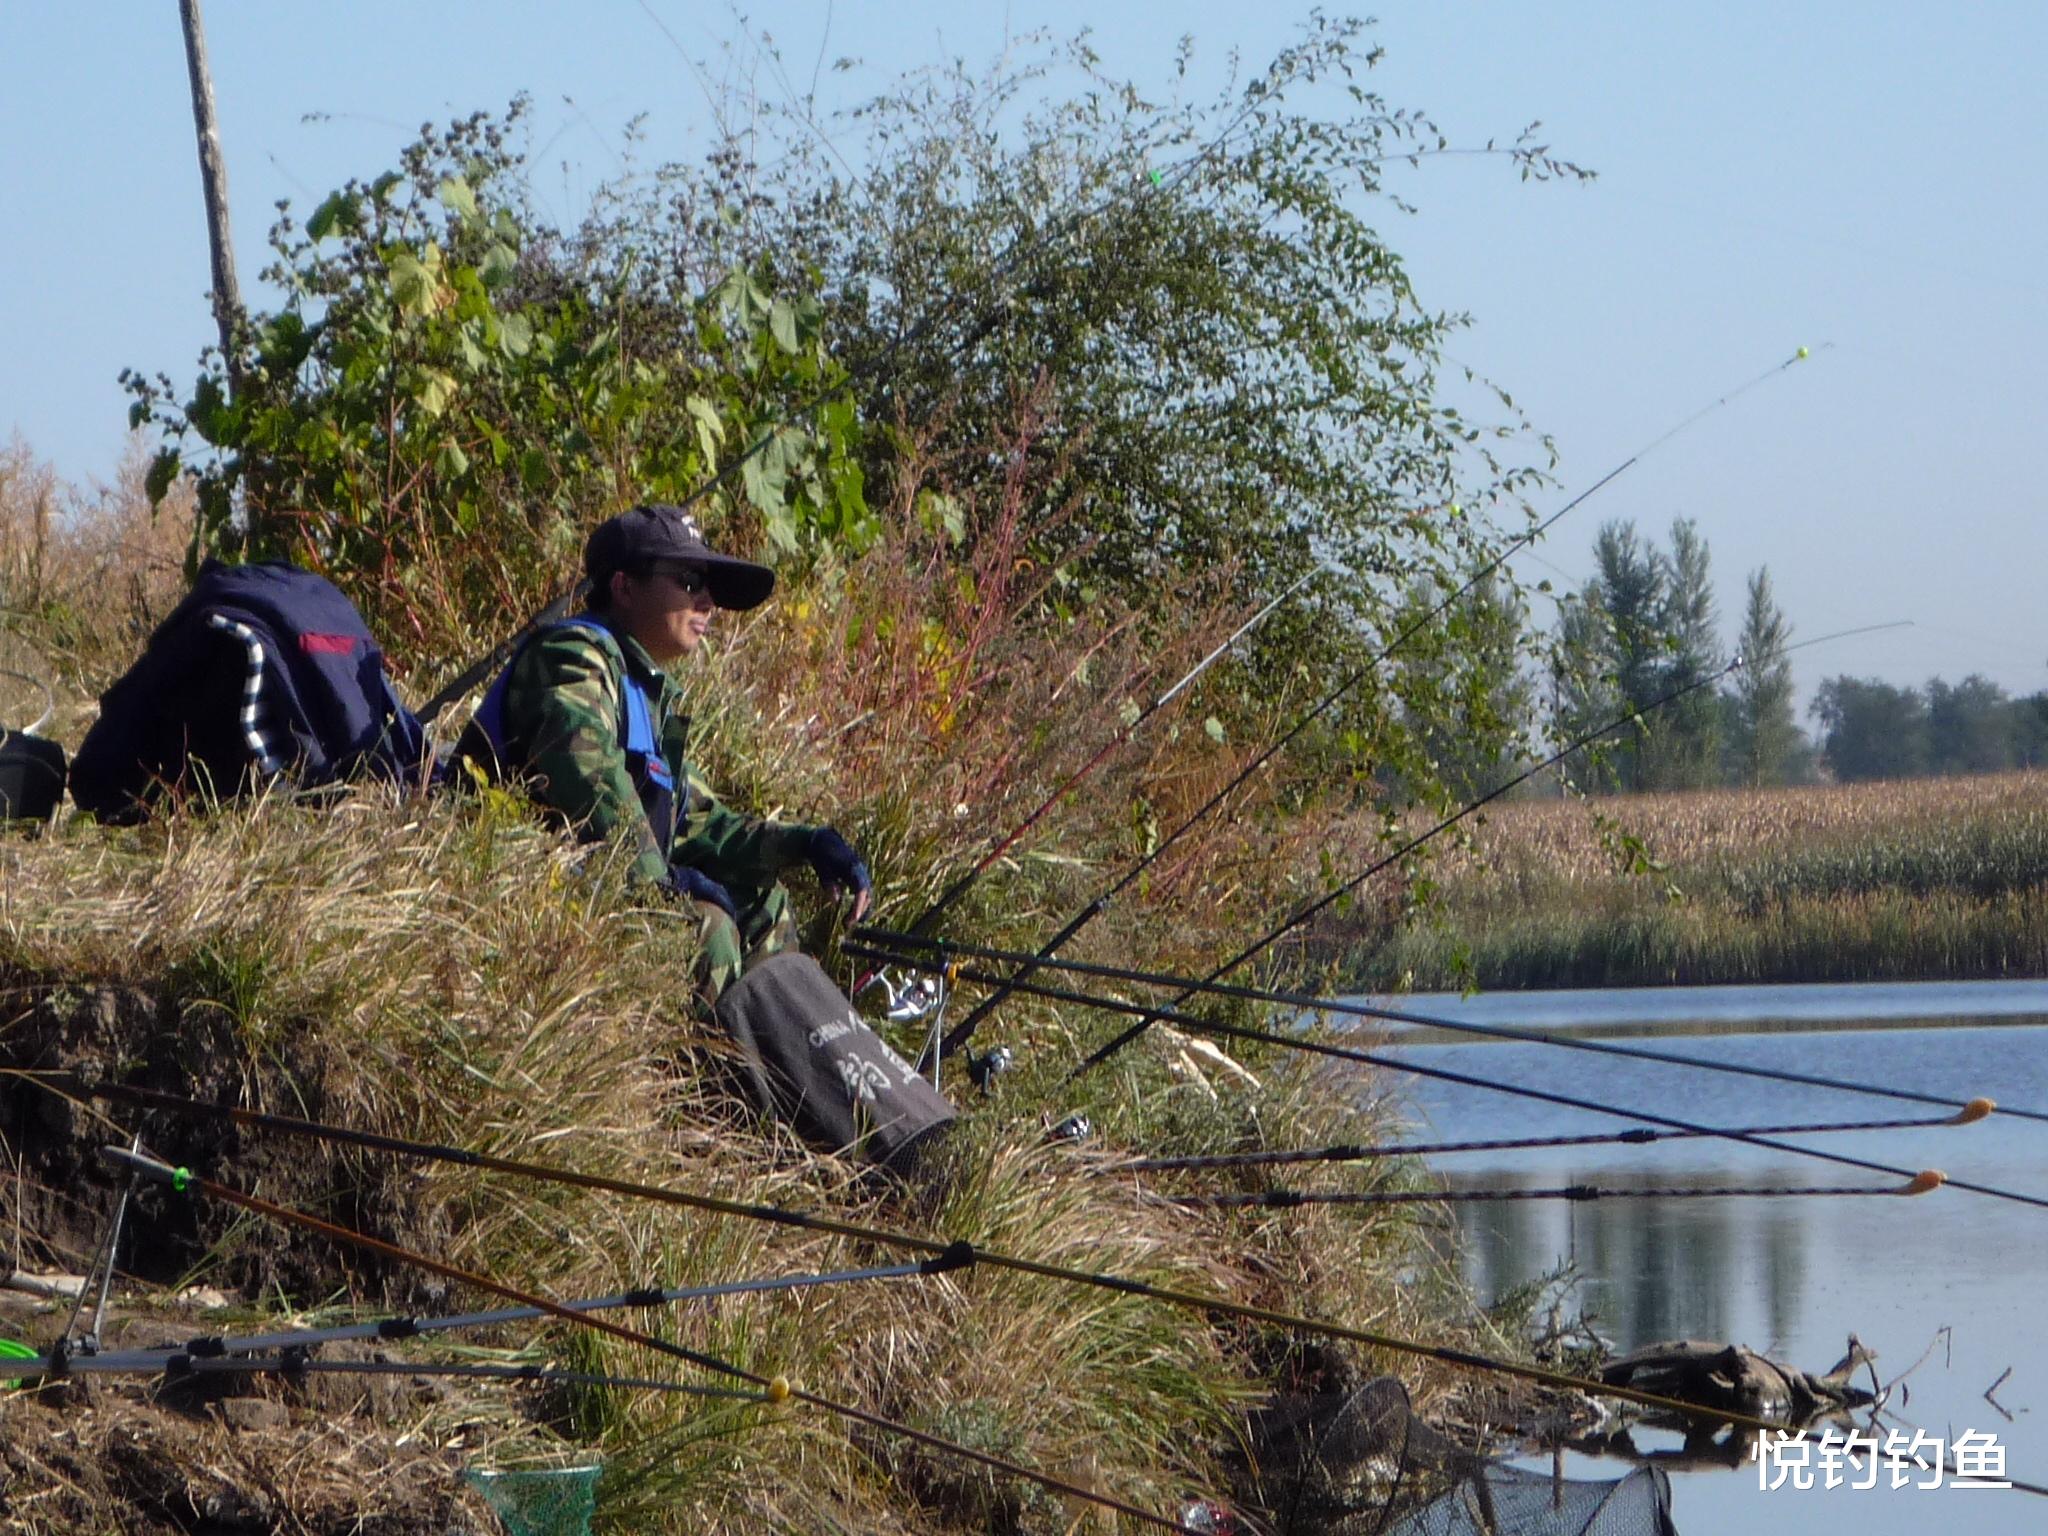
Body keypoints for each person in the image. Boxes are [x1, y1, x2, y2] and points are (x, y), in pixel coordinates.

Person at [462, 503, 870, 1005]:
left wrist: (805, 843)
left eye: (708, 587)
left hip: (600, 887)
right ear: (624, 586)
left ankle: (780, 1074)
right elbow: (595, 790)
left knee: (764, 901)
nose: (708, 603)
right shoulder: (572, 658)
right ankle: (699, 1077)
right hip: (527, 898)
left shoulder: (646, 693)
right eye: (689, 581)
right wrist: (662, 884)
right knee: (706, 927)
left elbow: (693, 822)